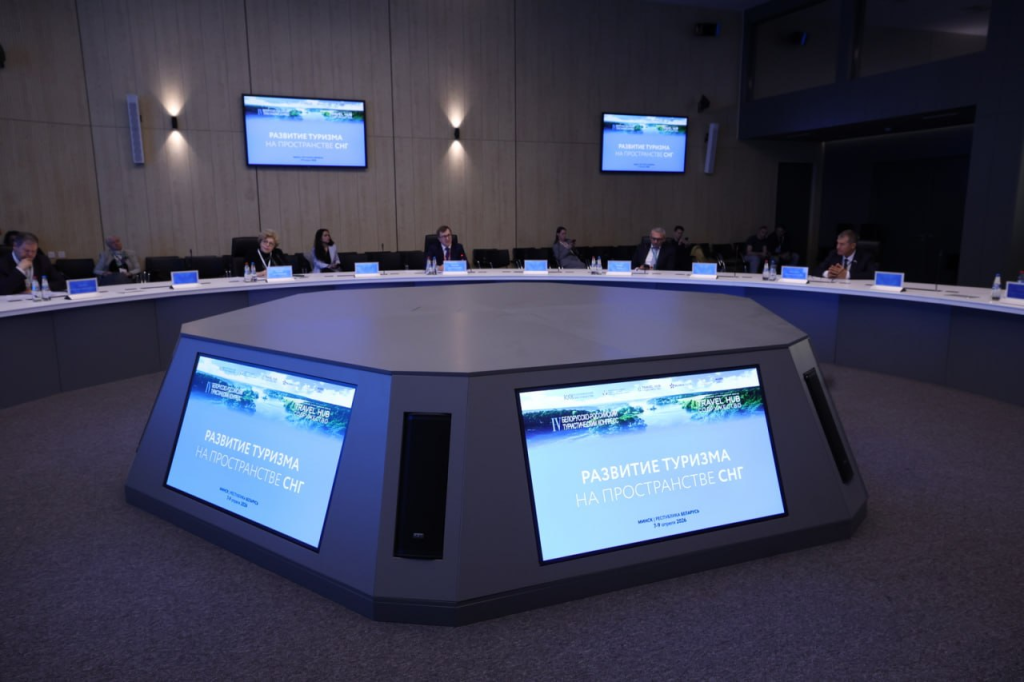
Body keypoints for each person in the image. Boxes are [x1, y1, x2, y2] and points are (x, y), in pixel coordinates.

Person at [0, 231, 66, 295]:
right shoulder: (2, 264)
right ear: (15, 246)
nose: (30, 254)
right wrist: (19, 270)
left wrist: (36, 289)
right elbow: (2, 290)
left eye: (34, 251)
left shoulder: (42, 260)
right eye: (26, 251)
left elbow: (61, 282)